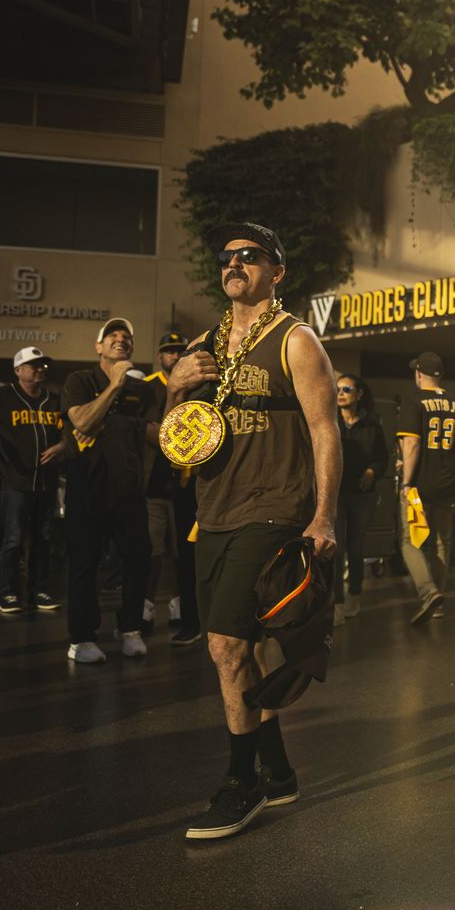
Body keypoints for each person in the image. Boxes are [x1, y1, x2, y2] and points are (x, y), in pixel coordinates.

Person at [162, 221, 341, 840]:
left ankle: (242, 784)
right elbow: (178, 442)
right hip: (214, 511)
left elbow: (325, 430)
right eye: (227, 257)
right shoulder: (203, 345)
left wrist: (323, 515)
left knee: (226, 648)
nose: (234, 263)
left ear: (277, 271)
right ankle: (281, 771)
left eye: (250, 256)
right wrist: (174, 389)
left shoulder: (296, 341)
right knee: (246, 649)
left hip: (275, 510)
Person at [61, 317, 161, 664]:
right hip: (87, 489)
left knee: (138, 559)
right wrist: (115, 385)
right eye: (112, 336)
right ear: (99, 347)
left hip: (129, 491)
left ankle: (129, 628)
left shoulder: (143, 390)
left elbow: (157, 434)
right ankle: (82, 638)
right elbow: (83, 421)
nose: (121, 340)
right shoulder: (80, 380)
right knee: (85, 564)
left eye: (126, 337)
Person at [0, 347, 67, 614]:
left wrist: (63, 446)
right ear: (18, 370)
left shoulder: (54, 400)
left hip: (47, 480)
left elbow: (73, 431)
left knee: (44, 539)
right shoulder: (4, 397)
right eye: (33, 365)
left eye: (42, 365)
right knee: (13, 540)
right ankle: (8, 592)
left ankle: (39, 590)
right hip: (15, 479)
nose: (39, 369)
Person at [399, 352, 455, 625]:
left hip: (419, 484)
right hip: (448, 481)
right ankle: (438, 603)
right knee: (442, 541)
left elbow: (412, 445)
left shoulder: (413, 401)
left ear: (418, 374)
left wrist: (406, 481)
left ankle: (428, 592)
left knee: (409, 541)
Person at [144, 331, 201, 643]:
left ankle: (189, 614)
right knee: (154, 551)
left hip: (192, 482)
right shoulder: (149, 386)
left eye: (181, 351)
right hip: (156, 481)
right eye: (169, 351)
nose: (176, 356)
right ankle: (147, 609)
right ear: (160, 356)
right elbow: (154, 432)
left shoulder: (201, 386)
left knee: (186, 554)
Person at [335, 374, 387, 618]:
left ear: (359, 394)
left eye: (347, 389)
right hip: (335, 493)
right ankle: (337, 601)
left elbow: (382, 458)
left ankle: (354, 594)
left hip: (361, 495)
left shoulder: (372, 426)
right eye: (338, 389)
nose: (341, 393)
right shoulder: (329, 422)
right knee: (335, 549)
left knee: (355, 548)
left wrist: (372, 471)